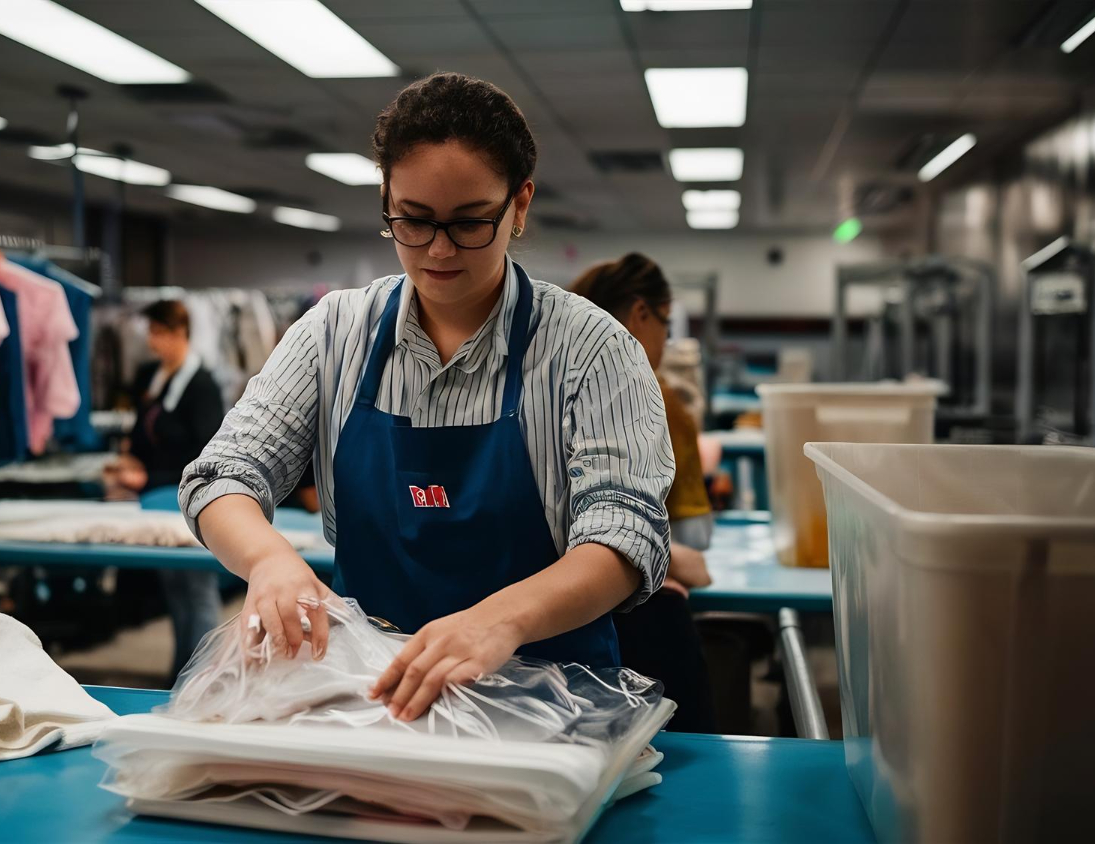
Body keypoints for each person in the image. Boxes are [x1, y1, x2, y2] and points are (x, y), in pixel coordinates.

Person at [179, 72, 674, 722]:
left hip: (548, 704)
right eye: (412, 221)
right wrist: (270, 562)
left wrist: (499, 622)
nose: (438, 249)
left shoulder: (590, 349)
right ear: (386, 199)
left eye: (470, 223)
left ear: (519, 204)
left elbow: (626, 535)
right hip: (370, 698)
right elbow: (221, 476)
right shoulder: (337, 332)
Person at [572, 253, 718, 732]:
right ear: (640, 314)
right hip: (639, 624)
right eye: (664, 323)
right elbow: (694, 543)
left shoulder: (545, 385)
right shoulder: (651, 395)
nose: (665, 340)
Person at [105, 299, 226, 679]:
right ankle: (183, 674)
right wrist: (130, 460)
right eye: (150, 333)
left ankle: (204, 678)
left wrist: (148, 475)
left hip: (186, 499)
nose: (152, 342)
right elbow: (142, 434)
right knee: (175, 592)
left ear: (179, 333)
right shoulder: (153, 378)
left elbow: (206, 452)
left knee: (197, 589)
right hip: (156, 499)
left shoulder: (202, 385)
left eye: (158, 333)